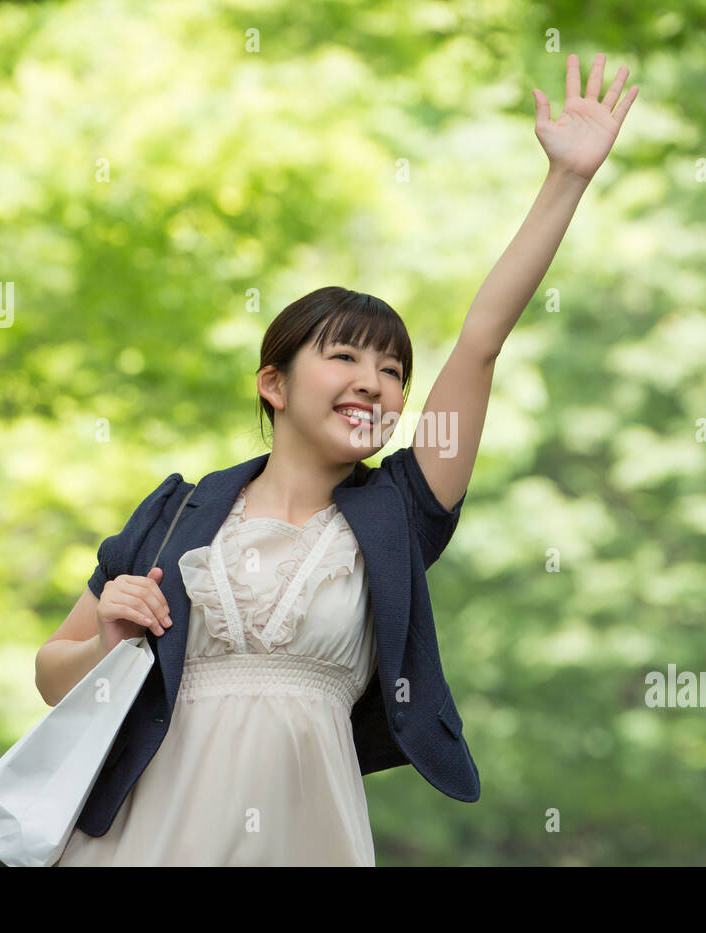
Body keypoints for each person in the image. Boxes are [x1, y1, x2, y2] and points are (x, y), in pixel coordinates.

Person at [36, 53, 639, 865]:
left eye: (392, 371)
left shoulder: (399, 513)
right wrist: (109, 635)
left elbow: (482, 343)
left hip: (303, 833)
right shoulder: (178, 511)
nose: (374, 384)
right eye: (346, 359)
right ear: (273, 384)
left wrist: (566, 179)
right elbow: (52, 675)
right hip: (148, 833)